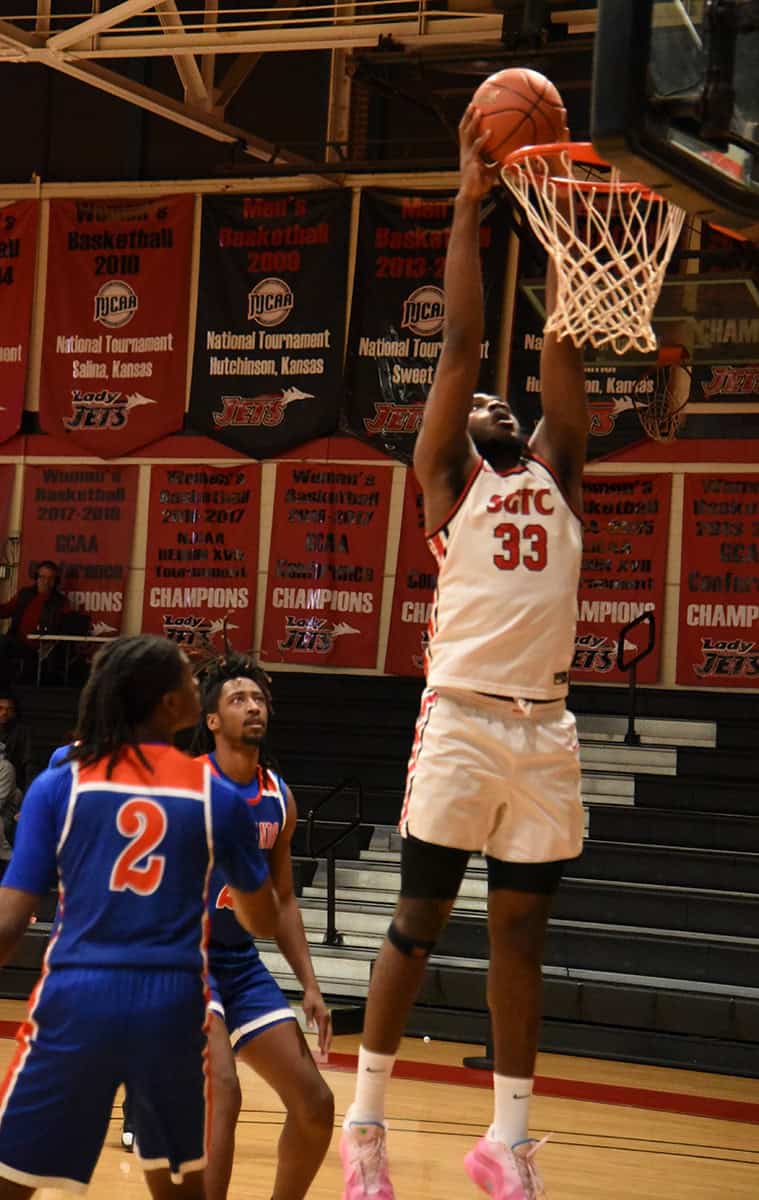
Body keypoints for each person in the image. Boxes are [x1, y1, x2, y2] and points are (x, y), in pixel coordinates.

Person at [339, 105, 588, 1200]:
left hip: (547, 726)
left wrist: (558, 223)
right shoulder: (450, 480)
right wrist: (469, 207)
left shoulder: (559, 468)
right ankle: (367, 1129)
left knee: (523, 935)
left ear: (524, 423)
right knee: (417, 921)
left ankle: (507, 1143)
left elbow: (558, 345)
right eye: (474, 400)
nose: (488, 397)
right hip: (465, 718)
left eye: (503, 400)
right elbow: (460, 345)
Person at [0, 634, 280, 1200]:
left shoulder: (59, 784)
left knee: (11, 1178)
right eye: (185, 676)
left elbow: (9, 924)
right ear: (165, 703)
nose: (195, 683)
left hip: (77, 996)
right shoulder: (217, 795)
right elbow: (264, 921)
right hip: (173, 1005)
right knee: (178, 1185)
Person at [194, 651, 334, 1200]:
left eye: (258, 699)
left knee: (315, 1102)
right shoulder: (186, 787)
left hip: (239, 963)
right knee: (222, 1090)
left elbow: (285, 899)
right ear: (212, 721)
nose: (253, 707)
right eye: (237, 699)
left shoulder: (279, 797)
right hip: (183, 960)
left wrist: (311, 984)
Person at [0, 562, 69, 683]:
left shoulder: (60, 602)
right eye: (42, 577)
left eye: (50, 578)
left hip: (39, 648)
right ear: (36, 578)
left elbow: (64, 626)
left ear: (55, 581)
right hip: (17, 641)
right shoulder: (24, 594)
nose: (46, 581)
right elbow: (6, 610)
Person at [0, 691, 33, 848]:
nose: (5, 712)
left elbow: (29, 764)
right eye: (0, 708)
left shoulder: (21, 732)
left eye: (9, 709)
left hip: (11, 787)